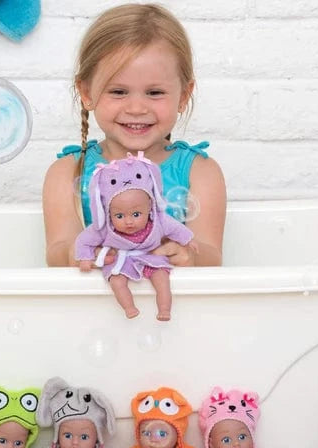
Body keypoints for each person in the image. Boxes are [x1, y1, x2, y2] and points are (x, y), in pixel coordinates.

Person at [43, 3, 226, 268]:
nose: (137, 108)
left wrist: (191, 256)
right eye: (118, 92)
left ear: (183, 96)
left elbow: (212, 255)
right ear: (86, 92)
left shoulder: (200, 172)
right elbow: (56, 251)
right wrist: (74, 253)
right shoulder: (66, 172)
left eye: (154, 93)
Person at [75, 152, 194, 320]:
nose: (129, 222)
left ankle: (164, 309)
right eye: (119, 216)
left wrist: (188, 239)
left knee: (162, 279)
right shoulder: (104, 228)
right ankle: (129, 308)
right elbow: (84, 240)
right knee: (116, 282)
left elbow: (175, 228)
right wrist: (85, 257)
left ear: (150, 207)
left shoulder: (158, 221)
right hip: (121, 259)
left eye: (136, 214)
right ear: (108, 212)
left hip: (150, 256)